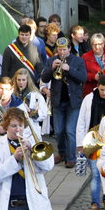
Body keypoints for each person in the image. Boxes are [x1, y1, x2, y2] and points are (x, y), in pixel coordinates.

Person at [40, 37, 87, 168]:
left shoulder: (78, 61)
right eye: (60, 50)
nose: (62, 52)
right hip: (58, 101)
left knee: (70, 131)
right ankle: (62, 154)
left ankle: (71, 158)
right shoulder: (51, 60)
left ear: (70, 49)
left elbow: (83, 78)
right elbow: (44, 77)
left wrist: (69, 69)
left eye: (64, 50)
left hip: (73, 102)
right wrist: (51, 68)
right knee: (59, 131)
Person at [76, 75, 105, 210]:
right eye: (102, 89)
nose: (104, 93)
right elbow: (81, 121)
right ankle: (95, 203)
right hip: (92, 141)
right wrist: (80, 144)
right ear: (97, 87)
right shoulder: (89, 99)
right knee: (95, 174)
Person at [12, 68, 47, 138]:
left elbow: (44, 114)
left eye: (23, 80)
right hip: (14, 130)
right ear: (15, 80)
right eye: (19, 80)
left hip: (31, 131)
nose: (21, 83)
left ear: (28, 80)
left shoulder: (36, 95)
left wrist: (29, 111)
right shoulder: (11, 95)